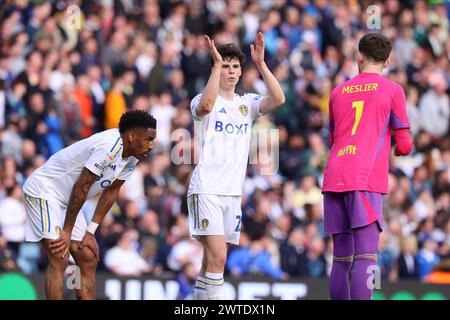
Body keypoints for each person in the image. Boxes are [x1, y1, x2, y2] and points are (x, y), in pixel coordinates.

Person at [187, 32, 285, 300]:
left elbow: (278, 99)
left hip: (231, 192)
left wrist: (262, 64)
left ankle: (196, 302)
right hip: (206, 187)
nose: (231, 72)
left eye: (235, 67)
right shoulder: (201, 99)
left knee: (210, 261)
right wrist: (216, 67)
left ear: (241, 71)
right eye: (225, 66)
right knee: (219, 256)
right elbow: (206, 105)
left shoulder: (247, 104)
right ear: (216, 69)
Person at [22, 110, 157, 299]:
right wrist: (67, 231)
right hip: (45, 191)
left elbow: (111, 191)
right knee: (60, 256)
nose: (152, 145)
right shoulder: (109, 147)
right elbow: (82, 186)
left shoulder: (132, 156)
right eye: (149, 139)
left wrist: (90, 231)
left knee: (88, 257)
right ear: (132, 135)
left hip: (68, 200)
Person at [322, 33, 412, 300]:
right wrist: (396, 148)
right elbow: (405, 144)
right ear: (387, 61)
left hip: (334, 175)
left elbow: (332, 139)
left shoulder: (337, 92)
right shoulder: (393, 90)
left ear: (359, 55)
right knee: (366, 255)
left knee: (340, 258)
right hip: (365, 178)